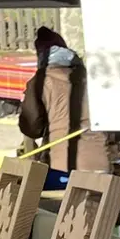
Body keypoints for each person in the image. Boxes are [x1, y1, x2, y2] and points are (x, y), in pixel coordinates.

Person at [18, 27, 95, 186]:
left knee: (39, 198)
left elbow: (32, 128)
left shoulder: (40, 82)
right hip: (99, 163)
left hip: (61, 166)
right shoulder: (92, 78)